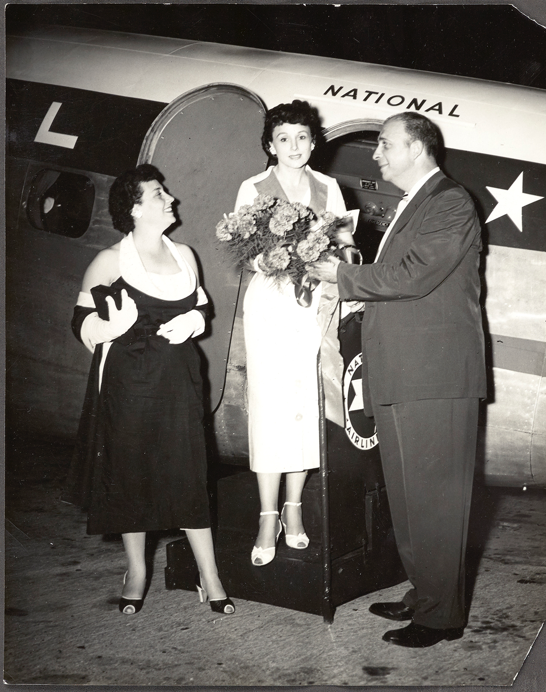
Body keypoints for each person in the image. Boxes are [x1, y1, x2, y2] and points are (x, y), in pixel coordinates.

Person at [309, 112, 486, 648]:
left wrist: (339, 277)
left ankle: (441, 617)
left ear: (418, 148)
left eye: (385, 145)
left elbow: (413, 277)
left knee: (434, 499)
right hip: (408, 372)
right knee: (410, 497)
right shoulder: (418, 204)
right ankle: (427, 592)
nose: (376, 156)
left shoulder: (450, 202)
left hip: (434, 376)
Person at [64, 164, 234, 616]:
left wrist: (196, 320)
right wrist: (106, 326)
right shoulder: (108, 261)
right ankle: (136, 571)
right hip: (128, 384)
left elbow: (200, 304)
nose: (170, 199)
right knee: (129, 475)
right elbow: (79, 320)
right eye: (158, 194)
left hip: (179, 381)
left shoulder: (185, 255)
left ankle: (209, 575)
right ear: (135, 208)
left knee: (188, 475)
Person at [235, 100, 354, 566]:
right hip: (270, 307)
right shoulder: (254, 187)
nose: (294, 146)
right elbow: (243, 250)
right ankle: (267, 515)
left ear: (313, 141)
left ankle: (295, 508)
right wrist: (266, 260)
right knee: (269, 409)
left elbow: (345, 248)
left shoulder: (329, 188)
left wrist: (336, 258)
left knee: (305, 407)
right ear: (270, 144)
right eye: (284, 138)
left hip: (313, 309)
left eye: (302, 137)